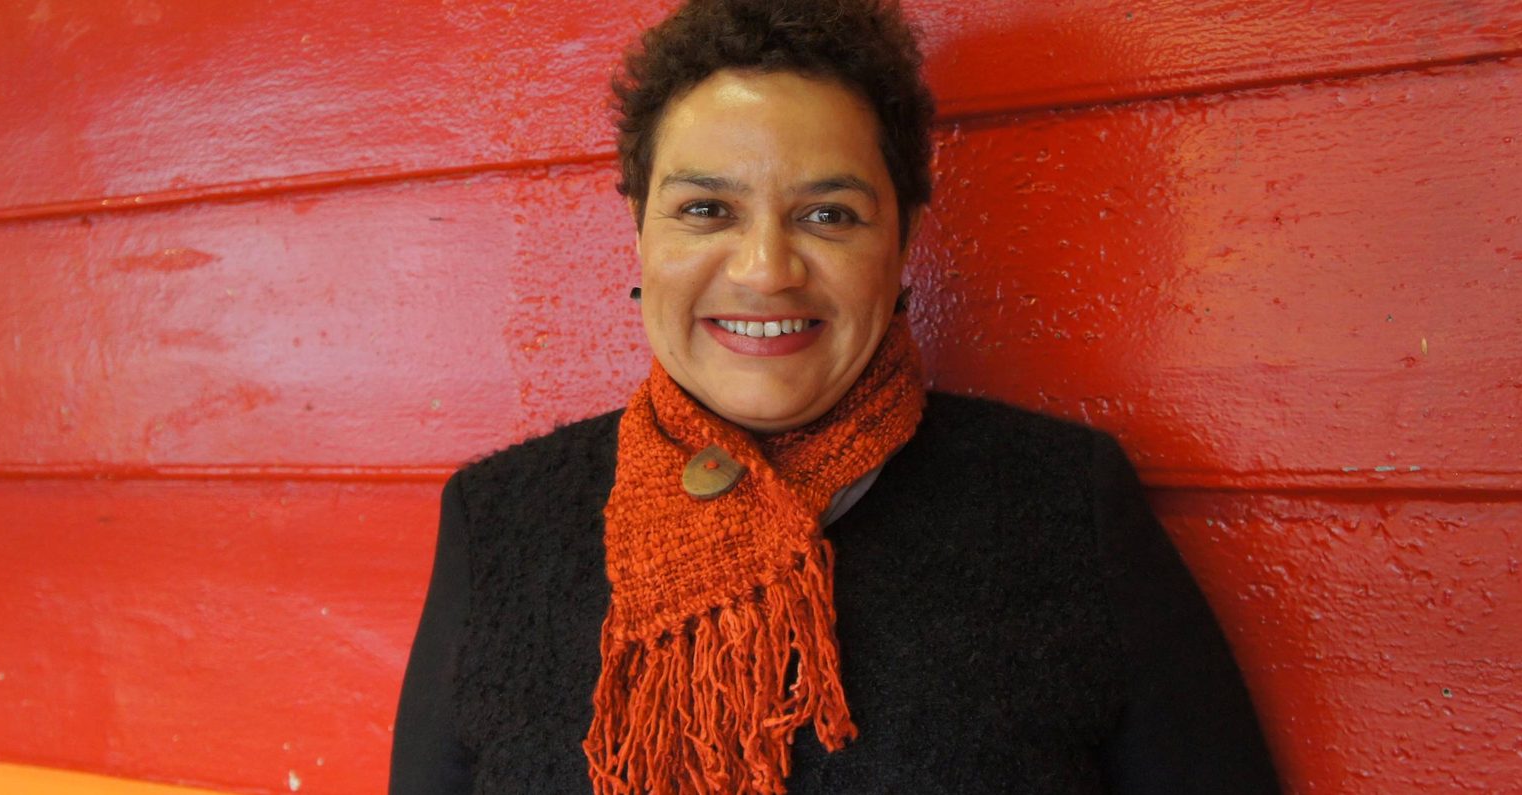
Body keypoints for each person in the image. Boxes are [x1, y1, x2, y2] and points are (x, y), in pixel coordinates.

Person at [389, 0, 1281, 792]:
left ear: (902, 243)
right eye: (706, 209)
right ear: (638, 231)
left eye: (829, 214)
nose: (765, 269)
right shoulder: (499, 523)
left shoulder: (1064, 506)